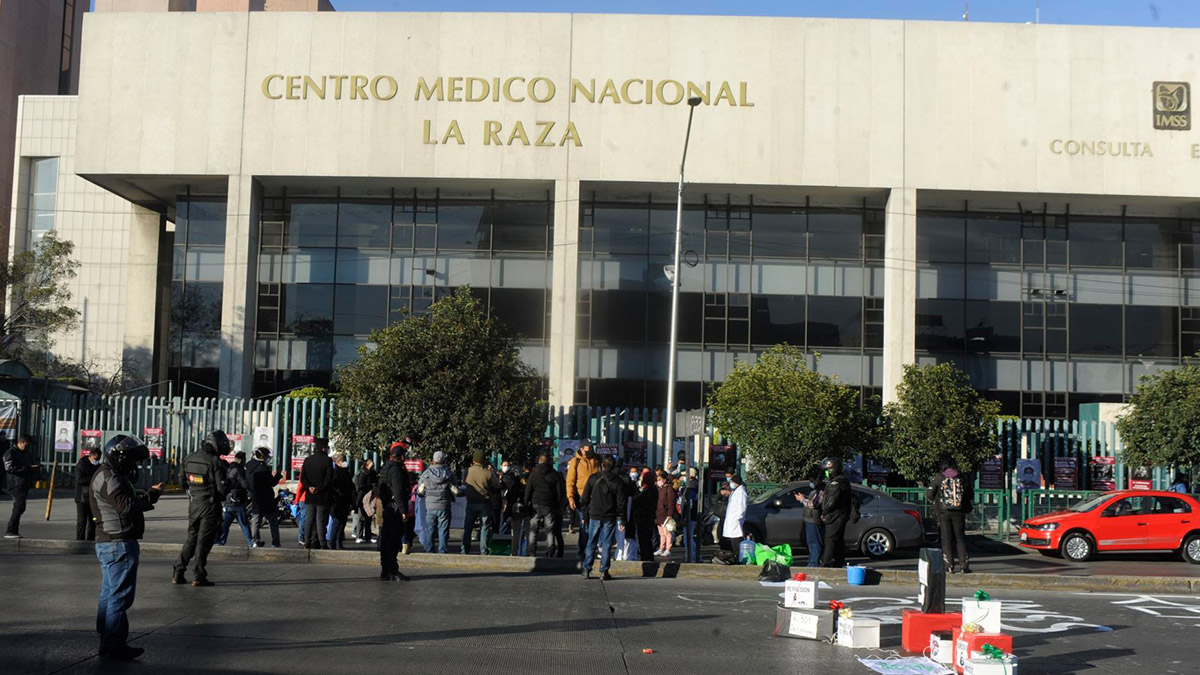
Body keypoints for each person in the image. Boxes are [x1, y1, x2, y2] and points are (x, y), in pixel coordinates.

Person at [90, 435, 163, 660]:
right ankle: (114, 642)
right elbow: (124, 507)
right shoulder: (109, 476)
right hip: (118, 542)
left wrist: (143, 494)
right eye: (131, 460)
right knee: (120, 595)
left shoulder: (106, 474)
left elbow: (122, 499)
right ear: (120, 457)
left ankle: (106, 639)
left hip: (109, 541)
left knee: (109, 593)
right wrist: (151, 497)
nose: (133, 466)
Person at [173, 431, 229, 586]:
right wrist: (229, 482)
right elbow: (222, 490)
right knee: (203, 542)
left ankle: (178, 571)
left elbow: (182, 482)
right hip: (210, 505)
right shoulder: (215, 462)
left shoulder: (189, 458)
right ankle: (198, 575)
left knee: (191, 538)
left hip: (194, 504)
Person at [580, 456, 629, 580]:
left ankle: (586, 568)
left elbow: (584, 498)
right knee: (606, 544)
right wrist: (622, 518)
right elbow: (621, 502)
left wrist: (585, 513)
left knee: (591, 541)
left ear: (602, 465)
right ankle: (604, 571)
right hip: (609, 515)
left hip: (594, 514)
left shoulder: (593, 478)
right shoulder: (617, 481)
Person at [928, 462, 973, 574]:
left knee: (946, 539)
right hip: (959, 512)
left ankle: (949, 565)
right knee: (960, 538)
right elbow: (970, 494)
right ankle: (964, 566)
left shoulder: (939, 478)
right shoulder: (961, 477)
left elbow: (929, 494)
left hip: (944, 512)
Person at [377, 444, 411, 581]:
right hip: (395, 509)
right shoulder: (396, 470)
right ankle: (392, 570)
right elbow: (398, 491)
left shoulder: (386, 467)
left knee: (386, 539)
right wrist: (403, 510)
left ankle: (385, 569)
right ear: (401, 456)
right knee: (393, 540)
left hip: (388, 507)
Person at [525, 451, 566, 557]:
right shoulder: (554, 475)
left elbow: (528, 491)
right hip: (549, 504)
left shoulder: (533, 474)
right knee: (550, 530)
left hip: (536, 503)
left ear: (539, 461)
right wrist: (557, 505)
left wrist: (526, 503)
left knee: (533, 529)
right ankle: (550, 551)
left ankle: (531, 551)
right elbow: (559, 493)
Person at [418, 450, 458, 554]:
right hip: (444, 505)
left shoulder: (425, 474)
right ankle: (442, 550)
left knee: (430, 530)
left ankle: (429, 549)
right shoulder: (449, 474)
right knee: (443, 530)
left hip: (430, 506)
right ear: (444, 460)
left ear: (433, 460)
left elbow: (420, 491)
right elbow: (456, 491)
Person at [299, 437, 335, 550]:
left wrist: (309, 487)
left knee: (309, 519)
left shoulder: (308, 460)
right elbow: (329, 479)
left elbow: (303, 478)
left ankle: (307, 541)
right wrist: (319, 488)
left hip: (310, 495)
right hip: (322, 495)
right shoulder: (328, 461)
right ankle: (322, 542)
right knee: (320, 520)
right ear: (324, 448)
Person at [567, 442, 600, 560]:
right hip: (582, 497)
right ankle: (582, 551)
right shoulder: (575, 462)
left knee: (595, 525)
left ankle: (591, 551)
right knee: (585, 525)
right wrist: (570, 497)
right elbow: (570, 481)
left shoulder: (597, 460)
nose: (590, 450)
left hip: (597, 497)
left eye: (592, 447)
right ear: (581, 448)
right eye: (588, 448)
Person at [462, 450, 500, 554]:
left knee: (468, 528)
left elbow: (464, 483)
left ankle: (464, 550)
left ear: (474, 460)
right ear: (484, 460)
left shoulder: (467, 471)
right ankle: (484, 551)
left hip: (471, 502)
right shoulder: (488, 472)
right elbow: (497, 485)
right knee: (485, 528)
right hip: (485, 502)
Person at [4, 434, 40, 539]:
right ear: (20, 443)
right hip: (16, 483)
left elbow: (29, 464)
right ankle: (10, 530)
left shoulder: (26, 454)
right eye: (26, 445)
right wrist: (27, 468)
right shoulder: (11, 452)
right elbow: (9, 467)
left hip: (24, 482)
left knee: (20, 507)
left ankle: (13, 531)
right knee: (19, 506)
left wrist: (33, 468)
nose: (27, 447)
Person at [246, 447, 283, 548]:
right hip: (266, 497)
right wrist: (278, 476)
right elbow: (271, 482)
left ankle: (255, 541)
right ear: (263, 456)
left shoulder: (249, 465)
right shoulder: (263, 468)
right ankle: (275, 542)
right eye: (267, 456)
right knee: (272, 521)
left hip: (255, 496)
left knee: (256, 520)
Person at [819, 457, 852, 568]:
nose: (826, 473)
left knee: (830, 539)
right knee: (838, 540)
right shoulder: (843, 480)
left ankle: (826, 563)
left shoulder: (836, 483)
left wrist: (825, 511)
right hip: (841, 514)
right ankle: (838, 562)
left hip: (835, 515)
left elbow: (832, 501)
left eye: (827, 470)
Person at [216, 451, 254, 547]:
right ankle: (251, 542)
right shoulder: (238, 470)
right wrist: (250, 489)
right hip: (237, 499)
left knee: (226, 523)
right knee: (244, 523)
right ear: (241, 460)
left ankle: (221, 541)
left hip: (228, 498)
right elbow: (244, 484)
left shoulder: (229, 468)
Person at [794, 473, 825, 567]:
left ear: (818, 480)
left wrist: (802, 499)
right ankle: (812, 561)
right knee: (811, 543)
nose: (811, 483)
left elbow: (814, 504)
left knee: (815, 543)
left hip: (814, 519)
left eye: (812, 481)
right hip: (810, 518)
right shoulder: (816, 490)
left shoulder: (821, 490)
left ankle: (813, 564)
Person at [401, 440, 425, 554]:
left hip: (408, 510)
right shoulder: (416, 486)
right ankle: (407, 543)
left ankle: (406, 544)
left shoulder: (407, 486)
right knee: (409, 529)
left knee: (406, 529)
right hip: (412, 511)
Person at [74, 447, 103, 541]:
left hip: (94, 498)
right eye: (95, 458)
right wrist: (93, 479)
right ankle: (80, 540)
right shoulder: (82, 465)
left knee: (93, 520)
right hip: (82, 497)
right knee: (82, 521)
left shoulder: (99, 466)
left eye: (98, 459)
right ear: (91, 456)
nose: (97, 460)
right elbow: (79, 480)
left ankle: (90, 540)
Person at [501, 458, 528, 554]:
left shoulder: (515, 480)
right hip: (524, 508)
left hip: (514, 508)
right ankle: (524, 551)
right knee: (526, 531)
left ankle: (515, 550)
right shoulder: (528, 478)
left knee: (515, 531)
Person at [629, 472, 657, 562]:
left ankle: (645, 558)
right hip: (648, 517)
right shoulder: (652, 489)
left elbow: (637, 500)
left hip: (644, 517)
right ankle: (649, 557)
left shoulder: (649, 491)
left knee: (643, 540)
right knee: (647, 540)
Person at [720, 473, 748, 556]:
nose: (730, 484)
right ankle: (732, 555)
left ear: (736, 482)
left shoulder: (741, 492)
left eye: (732, 482)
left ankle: (737, 555)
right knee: (731, 538)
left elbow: (742, 507)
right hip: (732, 520)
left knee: (736, 539)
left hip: (735, 520)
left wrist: (737, 518)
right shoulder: (736, 491)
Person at [353, 459, 378, 544]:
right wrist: (371, 486)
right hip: (363, 498)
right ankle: (359, 536)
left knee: (368, 518)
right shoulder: (363, 473)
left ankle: (367, 536)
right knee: (361, 518)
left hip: (369, 498)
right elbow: (360, 486)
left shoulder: (372, 473)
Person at [678, 469, 701, 563]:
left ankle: (692, 556)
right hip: (693, 516)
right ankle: (694, 556)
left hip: (690, 516)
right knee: (689, 537)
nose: (681, 477)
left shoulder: (691, 488)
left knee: (688, 539)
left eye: (684, 475)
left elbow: (689, 503)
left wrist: (685, 516)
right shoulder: (694, 486)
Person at [655, 472, 678, 557]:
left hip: (665, 514)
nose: (658, 482)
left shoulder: (669, 489)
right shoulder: (660, 489)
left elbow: (671, 502)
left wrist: (670, 514)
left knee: (667, 533)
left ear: (664, 480)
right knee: (661, 533)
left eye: (660, 480)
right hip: (659, 514)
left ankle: (668, 549)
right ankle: (661, 548)